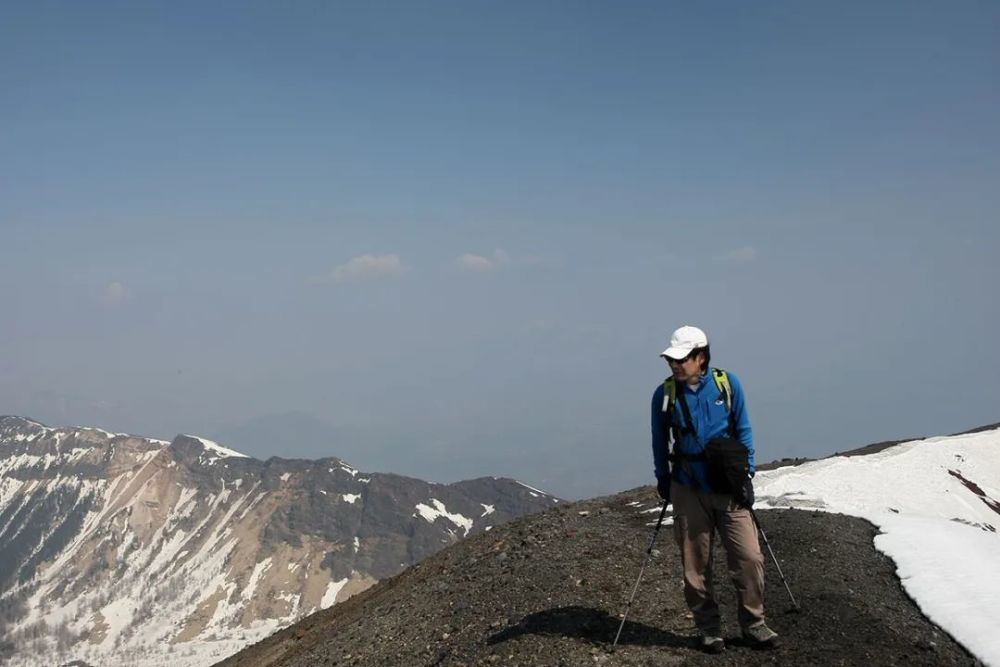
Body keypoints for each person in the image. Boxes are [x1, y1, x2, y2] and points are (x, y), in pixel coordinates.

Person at [650, 325, 779, 653]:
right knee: (695, 564)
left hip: (728, 485)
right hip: (687, 487)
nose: (675, 366)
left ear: (701, 357)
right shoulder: (664, 395)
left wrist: (746, 472)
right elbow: (658, 441)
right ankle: (709, 628)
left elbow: (744, 428)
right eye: (672, 360)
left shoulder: (728, 384)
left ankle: (754, 623)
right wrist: (664, 479)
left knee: (749, 557)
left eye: (681, 360)